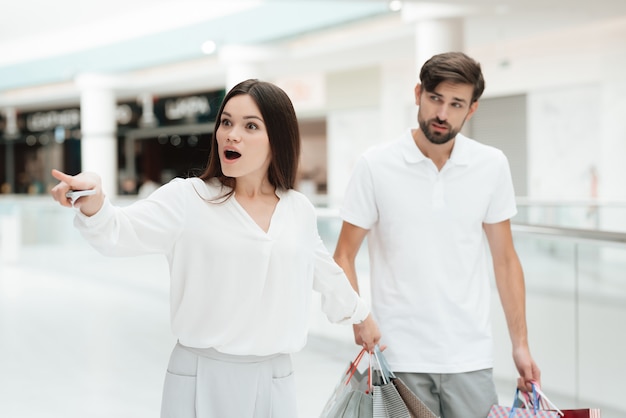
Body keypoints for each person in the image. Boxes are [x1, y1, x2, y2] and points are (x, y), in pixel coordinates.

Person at [50, 79, 381, 418]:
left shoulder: (298, 210)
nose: (231, 134)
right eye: (226, 122)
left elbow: (325, 273)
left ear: (277, 139)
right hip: (199, 376)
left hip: (274, 378)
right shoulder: (189, 198)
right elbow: (118, 231)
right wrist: (95, 202)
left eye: (250, 126)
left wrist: (361, 316)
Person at [333, 52, 540, 418]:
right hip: (398, 357)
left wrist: (520, 345)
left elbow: (505, 259)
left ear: (472, 109)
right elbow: (344, 254)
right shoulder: (375, 165)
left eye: (456, 103)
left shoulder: (491, 166)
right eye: (435, 99)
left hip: (471, 357)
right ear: (418, 94)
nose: (442, 113)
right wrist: (358, 319)